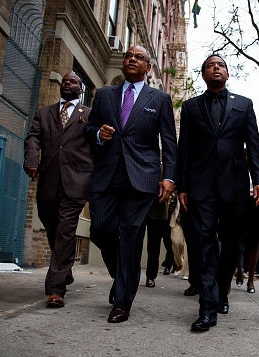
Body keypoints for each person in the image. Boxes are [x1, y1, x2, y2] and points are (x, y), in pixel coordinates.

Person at [83, 45, 177, 324]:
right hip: (107, 175)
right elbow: (89, 129)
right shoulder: (104, 95)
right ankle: (124, 273)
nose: (132, 59)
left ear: (148, 67)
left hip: (142, 177)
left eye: (139, 57)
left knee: (132, 235)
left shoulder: (159, 98)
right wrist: (98, 133)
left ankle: (122, 303)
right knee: (100, 228)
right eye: (128, 56)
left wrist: (169, 177)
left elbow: (169, 143)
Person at [177, 54, 259, 332]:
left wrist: (258, 180)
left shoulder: (244, 104)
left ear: (227, 74)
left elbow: (253, 143)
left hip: (234, 184)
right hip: (201, 185)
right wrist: (182, 186)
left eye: (221, 65)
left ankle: (222, 292)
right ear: (203, 75)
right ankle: (207, 306)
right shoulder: (190, 107)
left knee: (230, 244)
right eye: (210, 66)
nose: (216, 68)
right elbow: (184, 149)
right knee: (204, 241)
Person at [24, 71, 92, 308]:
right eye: (64, 81)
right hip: (49, 180)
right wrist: (32, 158)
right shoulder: (45, 113)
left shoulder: (90, 115)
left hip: (76, 181)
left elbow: (96, 145)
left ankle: (55, 289)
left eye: (72, 81)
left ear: (80, 88)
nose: (67, 83)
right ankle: (65, 267)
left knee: (65, 231)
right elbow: (33, 137)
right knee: (50, 223)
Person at [144, 199, 174, 287]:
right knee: (133, 242)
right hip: (136, 202)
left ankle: (151, 276)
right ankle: (130, 275)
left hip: (157, 203)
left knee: (154, 244)